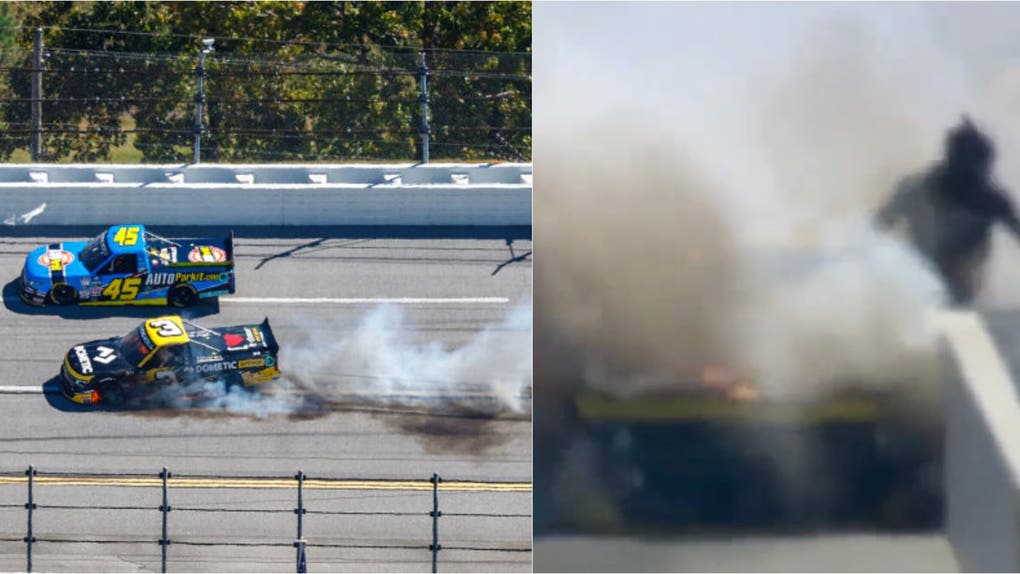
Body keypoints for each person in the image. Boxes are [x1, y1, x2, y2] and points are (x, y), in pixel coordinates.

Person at [875, 116, 1020, 304]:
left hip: (963, 282)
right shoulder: (919, 189)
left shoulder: (992, 200)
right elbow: (878, 227)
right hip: (918, 278)